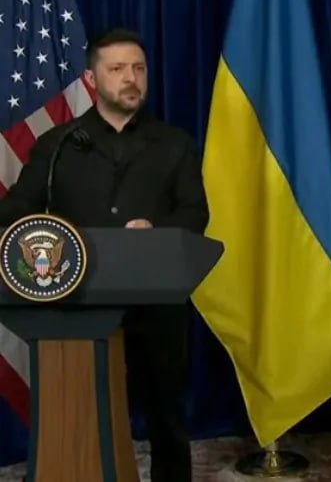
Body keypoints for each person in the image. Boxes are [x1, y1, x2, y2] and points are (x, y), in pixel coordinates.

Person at [0, 28, 207, 481]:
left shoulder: (174, 143)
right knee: (81, 408)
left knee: (167, 412)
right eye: (117, 69)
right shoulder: (56, 145)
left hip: (156, 297)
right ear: (92, 80)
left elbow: (195, 213)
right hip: (78, 302)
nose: (131, 78)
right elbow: (16, 210)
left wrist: (155, 230)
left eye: (138, 68)